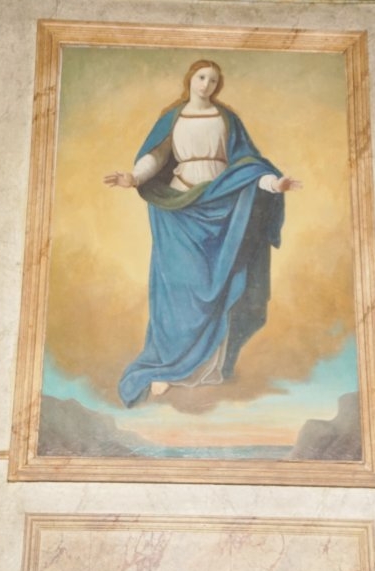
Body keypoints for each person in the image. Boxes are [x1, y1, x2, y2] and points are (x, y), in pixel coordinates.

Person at [104, 60, 301, 407]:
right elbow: (156, 156)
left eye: (213, 80)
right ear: (190, 79)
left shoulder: (227, 119)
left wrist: (274, 184)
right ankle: (167, 366)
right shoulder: (174, 118)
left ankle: (204, 368)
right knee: (180, 290)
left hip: (223, 206)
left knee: (217, 288)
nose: (207, 84)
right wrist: (133, 178)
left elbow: (247, 166)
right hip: (180, 209)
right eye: (201, 77)